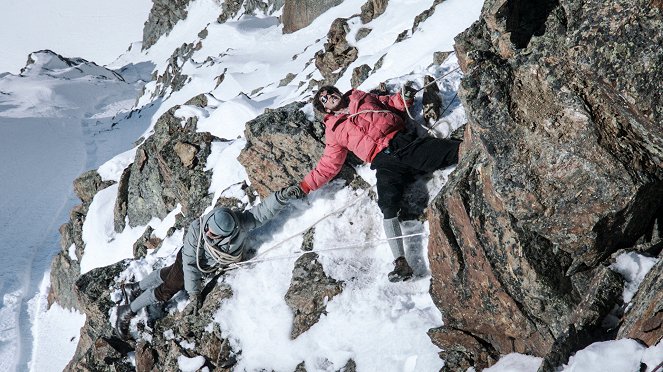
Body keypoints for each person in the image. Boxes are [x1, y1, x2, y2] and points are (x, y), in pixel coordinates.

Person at [292, 84, 461, 282]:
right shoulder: (334, 130)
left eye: (330, 92)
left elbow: (392, 104)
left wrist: (404, 98)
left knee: (453, 151)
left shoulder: (363, 98)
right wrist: (305, 185)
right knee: (388, 205)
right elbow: (329, 164)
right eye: (323, 99)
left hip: (404, 144)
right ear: (326, 109)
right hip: (384, 162)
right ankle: (401, 262)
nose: (328, 96)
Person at [113, 185, 305, 339]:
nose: (208, 232)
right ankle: (127, 310)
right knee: (168, 289)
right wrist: (194, 293)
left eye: (213, 234)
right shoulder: (197, 230)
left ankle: (135, 288)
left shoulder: (238, 224)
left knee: (168, 273)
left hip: (202, 264)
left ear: (227, 234)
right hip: (189, 262)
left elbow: (260, 213)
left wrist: (281, 196)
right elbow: (189, 265)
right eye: (208, 228)